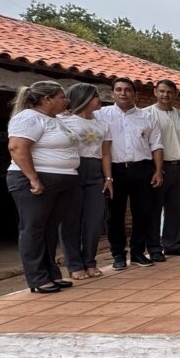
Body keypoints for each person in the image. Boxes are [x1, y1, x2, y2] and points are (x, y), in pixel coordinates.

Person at [7, 81, 78, 293]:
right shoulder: (28, 117)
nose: (66, 101)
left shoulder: (54, 119)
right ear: (47, 99)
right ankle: (38, 278)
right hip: (35, 180)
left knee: (49, 229)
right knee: (34, 228)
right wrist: (33, 178)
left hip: (59, 182)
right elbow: (17, 147)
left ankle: (51, 274)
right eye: (62, 97)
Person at [95, 78, 164, 269]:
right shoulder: (100, 115)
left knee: (142, 212)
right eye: (118, 89)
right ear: (112, 94)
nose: (123, 93)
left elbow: (156, 145)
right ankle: (118, 254)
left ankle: (137, 253)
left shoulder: (148, 117)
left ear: (135, 94)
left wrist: (158, 171)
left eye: (127, 90)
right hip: (114, 170)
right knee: (115, 214)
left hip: (142, 168)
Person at [59, 83, 112, 280]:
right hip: (72, 169)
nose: (99, 99)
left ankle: (90, 261)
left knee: (95, 220)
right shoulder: (63, 120)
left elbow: (106, 154)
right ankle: (74, 264)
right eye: (95, 95)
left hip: (95, 172)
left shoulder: (103, 124)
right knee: (70, 220)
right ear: (83, 98)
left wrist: (108, 178)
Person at [144, 79, 180, 261]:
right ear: (155, 92)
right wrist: (155, 168)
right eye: (162, 91)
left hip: (178, 166)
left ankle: (173, 245)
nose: (166, 95)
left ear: (175, 94)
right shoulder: (146, 114)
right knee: (154, 209)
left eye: (170, 92)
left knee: (176, 209)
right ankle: (154, 248)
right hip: (157, 167)